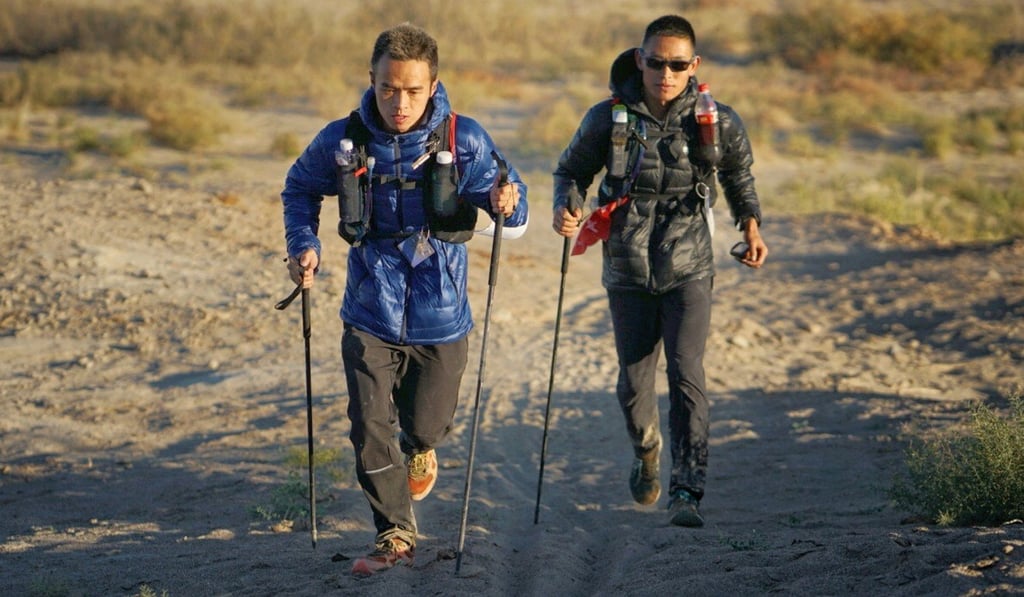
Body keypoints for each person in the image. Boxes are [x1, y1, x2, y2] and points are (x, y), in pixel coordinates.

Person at [281, 23, 528, 576]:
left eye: (414, 90)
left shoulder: (464, 139)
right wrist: (304, 245)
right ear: (372, 80)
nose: (400, 102)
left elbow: (515, 205)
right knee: (369, 424)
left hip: (442, 314)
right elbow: (298, 188)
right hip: (369, 307)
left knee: (427, 424)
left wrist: (504, 200)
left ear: (434, 84)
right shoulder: (343, 139)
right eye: (389, 88)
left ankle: (422, 446)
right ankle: (395, 533)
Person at [551, 15, 766, 528]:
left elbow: (739, 174)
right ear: (639, 60)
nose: (664, 73)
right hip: (626, 264)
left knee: (687, 373)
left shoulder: (717, 120)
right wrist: (568, 204)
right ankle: (647, 449)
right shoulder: (608, 119)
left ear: (694, 66)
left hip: (690, 262)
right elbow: (571, 170)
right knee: (633, 383)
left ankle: (687, 491)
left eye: (676, 64)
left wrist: (751, 226)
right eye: (655, 62)